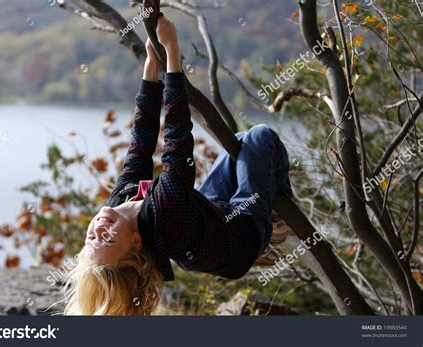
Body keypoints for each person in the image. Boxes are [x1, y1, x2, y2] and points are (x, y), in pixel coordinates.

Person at [63, 14, 293, 316]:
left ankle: (258, 202)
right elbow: (177, 142)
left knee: (239, 141)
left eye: (91, 236)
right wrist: (172, 56)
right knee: (260, 137)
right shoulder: (166, 214)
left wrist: (150, 67)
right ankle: (274, 221)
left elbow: (141, 144)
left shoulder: (120, 203)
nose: (99, 229)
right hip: (241, 240)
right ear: (135, 241)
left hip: (208, 221)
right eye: (106, 239)